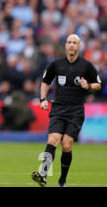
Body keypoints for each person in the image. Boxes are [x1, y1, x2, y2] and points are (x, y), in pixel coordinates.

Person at [31, 34, 102, 187]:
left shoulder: (86, 66)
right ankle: (43, 174)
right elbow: (45, 82)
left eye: (74, 43)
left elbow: (98, 84)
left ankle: (62, 181)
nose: (71, 45)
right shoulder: (56, 64)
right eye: (69, 42)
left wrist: (88, 85)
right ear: (65, 46)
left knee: (67, 145)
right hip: (58, 108)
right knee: (53, 140)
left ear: (79, 46)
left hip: (76, 111)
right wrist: (43, 99)